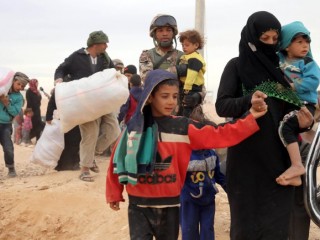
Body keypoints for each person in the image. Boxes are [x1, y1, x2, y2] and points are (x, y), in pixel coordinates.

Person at [106, 69, 268, 240]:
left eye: (175, 96)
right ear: (150, 96)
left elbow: (220, 134)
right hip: (138, 205)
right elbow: (117, 159)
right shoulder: (134, 128)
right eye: (165, 96)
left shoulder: (183, 127)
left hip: (170, 205)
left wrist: (250, 117)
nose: (171, 101)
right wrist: (114, 192)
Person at [215, 11, 313, 239]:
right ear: (251, 38)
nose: (269, 44)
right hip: (245, 163)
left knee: (277, 229)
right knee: (245, 228)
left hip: (280, 166)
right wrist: (249, 99)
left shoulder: (283, 71)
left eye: (274, 39)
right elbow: (222, 106)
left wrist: (304, 124)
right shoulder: (237, 67)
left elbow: (287, 118)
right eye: (264, 39)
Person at [54, 30, 118, 181]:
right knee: (90, 134)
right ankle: (84, 170)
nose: (107, 46)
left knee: (114, 130)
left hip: (103, 100)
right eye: (104, 43)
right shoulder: (77, 57)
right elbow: (61, 69)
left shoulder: (105, 59)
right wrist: (59, 80)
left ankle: (91, 154)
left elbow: (111, 73)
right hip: (84, 102)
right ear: (95, 45)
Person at [276, 21, 320, 186]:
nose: (305, 46)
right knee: (287, 129)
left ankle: (297, 166)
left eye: (307, 41)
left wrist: (292, 86)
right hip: (290, 103)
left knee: (286, 127)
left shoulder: (308, 63)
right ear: (287, 45)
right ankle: (294, 174)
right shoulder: (280, 58)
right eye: (299, 42)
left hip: (304, 104)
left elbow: (313, 81)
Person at [139, 14, 204, 115]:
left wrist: (197, 97)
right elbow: (148, 79)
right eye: (160, 30)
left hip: (180, 114)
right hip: (156, 113)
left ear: (173, 34)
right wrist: (176, 71)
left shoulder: (185, 56)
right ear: (154, 34)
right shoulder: (147, 55)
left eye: (168, 30)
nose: (165, 34)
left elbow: (199, 83)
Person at [180, 105, 226, 240]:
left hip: (208, 200)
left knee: (208, 231)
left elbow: (218, 175)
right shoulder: (184, 155)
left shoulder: (212, 153)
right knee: (189, 232)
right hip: (189, 202)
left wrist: (229, 187)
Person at [0, 72, 29, 177]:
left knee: (8, 148)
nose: (20, 87)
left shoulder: (19, 98)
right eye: (18, 84)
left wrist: (7, 103)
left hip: (5, 125)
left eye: (23, 86)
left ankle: (11, 169)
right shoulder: (2, 90)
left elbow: (15, 112)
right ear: (13, 82)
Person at [45, 89, 81, 171]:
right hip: (66, 118)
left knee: (74, 141)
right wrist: (49, 117)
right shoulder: (61, 88)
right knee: (69, 141)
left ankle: (71, 164)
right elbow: (52, 102)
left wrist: (48, 116)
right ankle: (66, 165)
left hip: (75, 118)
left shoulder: (73, 86)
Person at [178, 29, 206, 117]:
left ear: (196, 45)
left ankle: (187, 125)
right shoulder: (188, 56)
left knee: (187, 109)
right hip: (189, 87)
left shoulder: (194, 58)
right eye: (182, 45)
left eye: (187, 45)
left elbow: (192, 74)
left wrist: (186, 89)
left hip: (192, 87)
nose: (184, 47)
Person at [26, 78, 45, 143]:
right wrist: (29, 112)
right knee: (33, 125)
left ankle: (38, 139)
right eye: (36, 83)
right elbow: (29, 102)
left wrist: (39, 95)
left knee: (38, 125)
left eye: (37, 83)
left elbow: (39, 100)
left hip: (37, 111)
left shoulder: (37, 91)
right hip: (32, 111)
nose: (37, 84)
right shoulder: (29, 91)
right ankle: (29, 138)